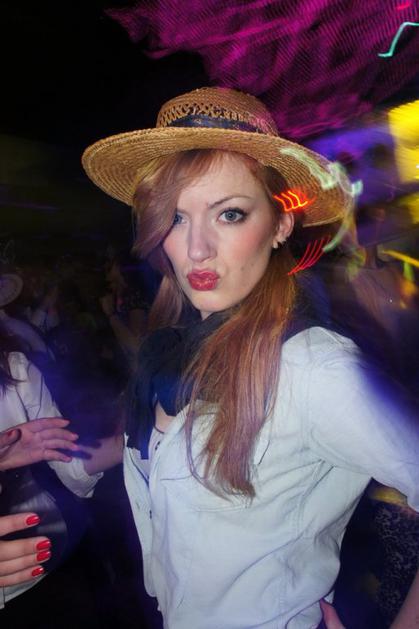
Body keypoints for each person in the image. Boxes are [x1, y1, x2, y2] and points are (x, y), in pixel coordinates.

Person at [82, 87, 419, 629]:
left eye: (230, 214)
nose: (196, 249)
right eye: (176, 218)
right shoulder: (172, 349)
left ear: (280, 225)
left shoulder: (313, 369)